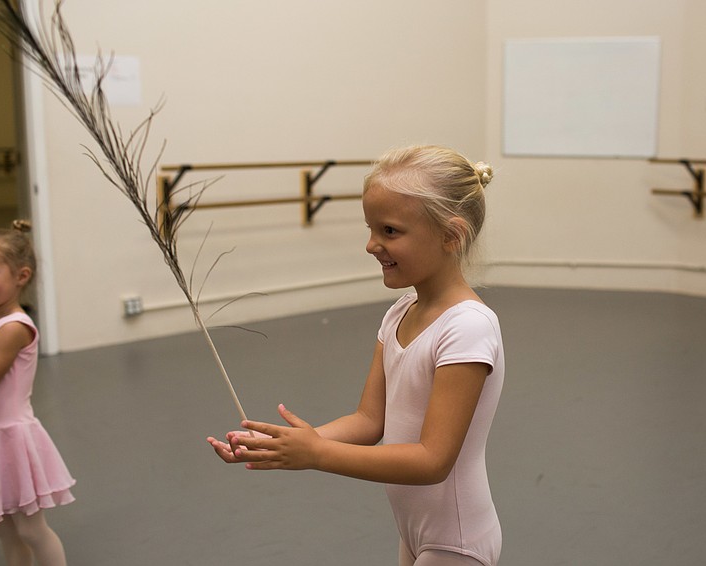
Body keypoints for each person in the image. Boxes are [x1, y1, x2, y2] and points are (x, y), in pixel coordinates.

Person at [208, 145, 504, 566]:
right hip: (414, 531)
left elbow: (432, 460)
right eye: (371, 229)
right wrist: (285, 444)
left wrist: (317, 454)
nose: (371, 245)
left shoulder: (467, 328)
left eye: (389, 231)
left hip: (456, 541)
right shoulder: (401, 311)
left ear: (451, 236)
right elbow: (369, 421)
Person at [0, 221, 74, 566]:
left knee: (30, 530)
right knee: (3, 529)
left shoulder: (13, 328)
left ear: (21, 276)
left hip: (11, 440)